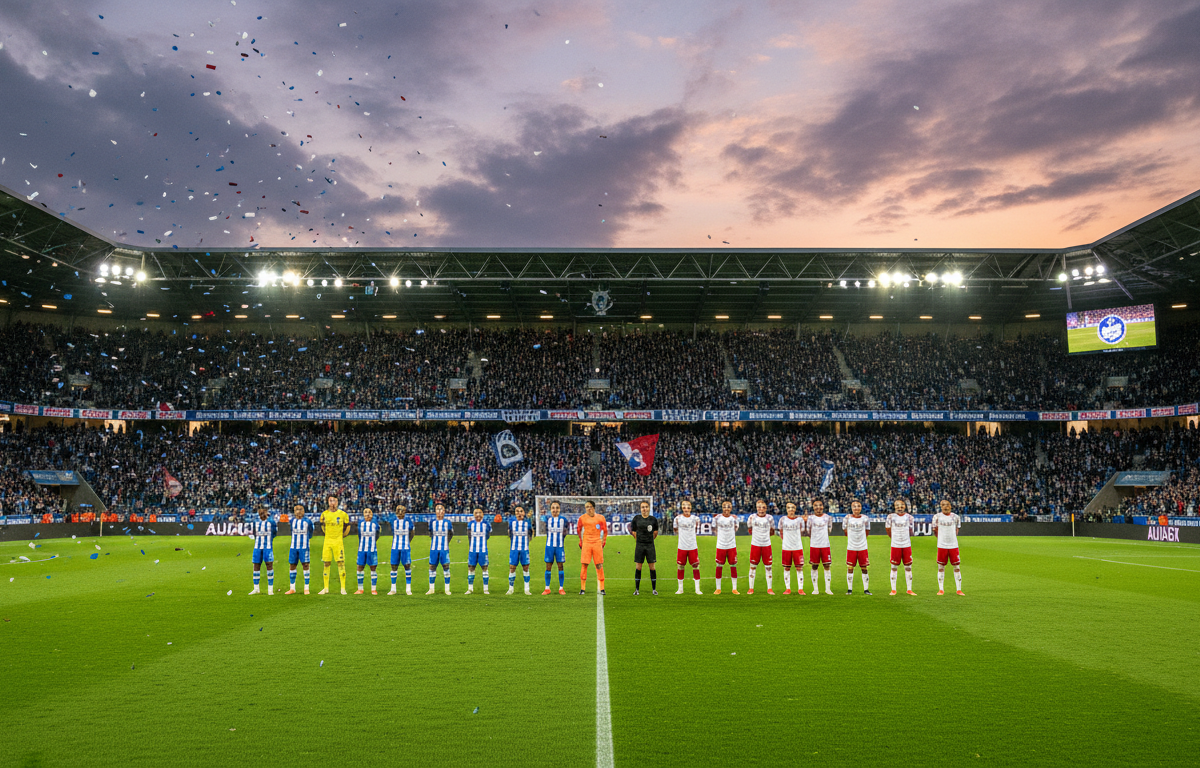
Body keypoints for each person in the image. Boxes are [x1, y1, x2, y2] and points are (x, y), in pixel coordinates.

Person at [319, 494, 350, 595]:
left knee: (340, 563)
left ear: (337, 502)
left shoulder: (343, 514)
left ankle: (343, 588)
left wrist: (341, 536)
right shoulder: (324, 514)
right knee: (326, 563)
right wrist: (328, 535)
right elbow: (322, 527)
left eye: (334, 501)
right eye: (330, 501)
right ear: (328, 502)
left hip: (338, 542)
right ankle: (326, 588)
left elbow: (347, 527)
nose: (332, 503)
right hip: (327, 541)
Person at [933, 499, 964, 596]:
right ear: (941, 507)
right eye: (943, 505)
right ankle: (941, 589)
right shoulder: (937, 517)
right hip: (942, 546)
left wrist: (951, 538)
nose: (945, 506)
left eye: (947, 505)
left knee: (956, 567)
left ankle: (959, 590)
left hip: (953, 545)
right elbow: (935, 530)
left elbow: (957, 530)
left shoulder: (956, 517)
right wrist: (941, 539)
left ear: (950, 506)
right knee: (941, 567)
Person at [886, 499, 917, 596]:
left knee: (908, 567)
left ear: (905, 506)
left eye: (902, 505)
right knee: (894, 567)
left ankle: (909, 589)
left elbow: (911, 530)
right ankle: (893, 589)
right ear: (894, 507)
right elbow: (888, 529)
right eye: (897, 505)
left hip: (906, 545)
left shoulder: (909, 517)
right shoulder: (891, 517)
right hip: (895, 545)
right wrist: (894, 538)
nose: (900, 507)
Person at [577, 500, 608, 595]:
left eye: (590, 507)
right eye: (587, 507)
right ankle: (582, 589)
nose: (588, 509)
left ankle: (602, 588)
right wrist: (581, 541)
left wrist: (603, 541)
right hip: (587, 543)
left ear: (594, 508)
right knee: (584, 564)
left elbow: (605, 531)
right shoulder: (582, 518)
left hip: (597, 543)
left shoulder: (601, 518)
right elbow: (578, 530)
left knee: (599, 565)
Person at [673, 500, 702, 594]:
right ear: (682, 508)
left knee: (696, 566)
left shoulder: (695, 519)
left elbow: (696, 530)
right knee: (680, 566)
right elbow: (675, 530)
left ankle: (697, 589)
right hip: (682, 547)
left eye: (688, 507)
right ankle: (680, 589)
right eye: (684, 507)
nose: (686, 509)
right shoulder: (677, 519)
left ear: (691, 508)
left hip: (692, 546)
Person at [747, 499, 775, 595]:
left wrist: (764, 537)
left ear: (766, 508)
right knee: (753, 566)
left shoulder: (770, 518)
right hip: (755, 545)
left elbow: (772, 530)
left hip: (766, 545)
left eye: (763, 507)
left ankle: (769, 589)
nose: (761, 509)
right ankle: (751, 588)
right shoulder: (752, 517)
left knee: (768, 567)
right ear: (756, 508)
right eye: (759, 507)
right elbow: (749, 529)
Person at [631, 500, 659, 595]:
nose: (644, 509)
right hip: (639, 546)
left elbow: (655, 533)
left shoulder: (653, 520)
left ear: (649, 508)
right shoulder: (636, 519)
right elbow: (633, 531)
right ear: (640, 509)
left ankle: (654, 589)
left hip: (650, 546)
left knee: (652, 567)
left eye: (646, 507)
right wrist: (639, 539)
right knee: (638, 567)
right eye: (643, 507)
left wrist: (648, 540)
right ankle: (637, 589)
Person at [778, 501, 806, 595]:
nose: (791, 510)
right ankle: (788, 588)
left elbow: (802, 531)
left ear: (795, 509)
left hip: (797, 547)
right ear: (786, 509)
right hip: (786, 548)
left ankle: (800, 589)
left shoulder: (800, 520)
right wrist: (786, 541)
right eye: (789, 508)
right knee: (787, 568)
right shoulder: (782, 519)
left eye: (792, 508)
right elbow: (781, 531)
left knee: (799, 568)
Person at [843, 499, 871, 595]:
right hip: (851, 547)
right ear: (851, 508)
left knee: (864, 568)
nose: (856, 508)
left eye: (858, 506)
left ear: (861, 508)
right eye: (854, 506)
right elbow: (845, 530)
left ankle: (866, 589)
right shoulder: (847, 518)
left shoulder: (865, 518)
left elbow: (867, 530)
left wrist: (861, 540)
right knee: (850, 568)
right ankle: (849, 589)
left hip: (862, 547)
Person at [807, 499, 834, 595]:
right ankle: (815, 589)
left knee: (827, 565)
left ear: (823, 507)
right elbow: (808, 530)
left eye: (820, 505)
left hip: (825, 545)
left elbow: (829, 529)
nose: (818, 507)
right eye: (816, 505)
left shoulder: (828, 517)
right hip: (814, 545)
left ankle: (828, 589)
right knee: (814, 566)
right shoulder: (810, 518)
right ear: (813, 507)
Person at [426, 503, 454, 596]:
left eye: (441, 509)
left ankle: (447, 589)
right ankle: (431, 589)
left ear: (444, 511)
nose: (439, 511)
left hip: (444, 549)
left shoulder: (448, 523)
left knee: (446, 567)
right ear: (435, 511)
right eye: (437, 509)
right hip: (434, 549)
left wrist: (446, 542)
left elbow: (451, 534)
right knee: (432, 567)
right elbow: (430, 533)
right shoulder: (432, 522)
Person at [713, 500, 740, 595]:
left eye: (728, 507)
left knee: (733, 566)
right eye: (724, 507)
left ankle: (734, 588)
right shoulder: (717, 518)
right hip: (721, 545)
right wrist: (720, 536)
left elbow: (736, 528)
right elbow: (714, 528)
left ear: (731, 508)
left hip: (731, 545)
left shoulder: (734, 518)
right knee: (719, 566)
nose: (726, 509)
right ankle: (718, 588)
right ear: (722, 508)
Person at [286, 504, 313, 595]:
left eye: (301, 509)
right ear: (294, 512)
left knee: (305, 565)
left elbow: (311, 532)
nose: (299, 511)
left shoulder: (308, 521)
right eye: (297, 509)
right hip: (293, 547)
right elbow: (291, 531)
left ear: (304, 511)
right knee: (292, 565)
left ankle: (306, 588)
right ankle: (292, 588)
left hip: (304, 547)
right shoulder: (292, 521)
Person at [249, 506, 277, 595]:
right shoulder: (256, 522)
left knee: (269, 565)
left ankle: (270, 589)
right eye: (260, 512)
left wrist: (269, 540)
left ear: (266, 512)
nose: (262, 513)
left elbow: (274, 533)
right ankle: (256, 588)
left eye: (263, 512)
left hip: (267, 547)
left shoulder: (271, 522)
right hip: (257, 547)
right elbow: (254, 533)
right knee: (256, 566)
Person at [542, 500, 568, 595]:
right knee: (548, 566)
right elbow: (544, 529)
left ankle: (561, 588)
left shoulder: (563, 520)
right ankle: (547, 588)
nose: (555, 510)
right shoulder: (547, 519)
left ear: (560, 509)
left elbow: (566, 530)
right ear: (550, 509)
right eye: (553, 508)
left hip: (559, 547)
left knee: (560, 566)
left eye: (557, 508)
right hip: (549, 546)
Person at [507, 505, 532, 595]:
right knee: (512, 568)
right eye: (517, 511)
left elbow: (531, 533)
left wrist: (527, 542)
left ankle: (527, 589)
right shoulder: (511, 522)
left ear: (524, 513)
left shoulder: (527, 523)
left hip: (524, 549)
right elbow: (509, 533)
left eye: (521, 511)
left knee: (526, 568)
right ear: (515, 513)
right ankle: (511, 589)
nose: (519, 513)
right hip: (514, 549)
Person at [465, 507, 491, 595]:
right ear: (474, 515)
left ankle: (486, 589)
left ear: (482, 514)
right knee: (471, 567)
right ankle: (470, 589)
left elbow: (488, 535)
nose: (478, 514)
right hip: (472, 550)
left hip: (483, 550)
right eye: (476, 513)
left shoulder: (486, 524)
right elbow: (469, 535)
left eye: (480, 513)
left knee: (485, 567)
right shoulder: (471, 524)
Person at [389, 504, 413, 596]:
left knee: (407, 566)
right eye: (398, 510)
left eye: (402, 511)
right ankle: (393, 589)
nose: (400, 512)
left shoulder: (408, 521)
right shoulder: (393, 520)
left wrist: (408, 542)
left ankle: (408, 589)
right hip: (395, 547)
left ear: (405, 512)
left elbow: (412, 532)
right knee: (394, 566)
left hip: (405, 548)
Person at [355, 508, 380, 595]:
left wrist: (373, 542)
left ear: (372, 514)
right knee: (360, 567)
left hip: (372, 549)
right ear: (363, 514)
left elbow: (378, 534)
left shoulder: (375, 523)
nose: (367, 514)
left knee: (373, 568)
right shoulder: (361, 523)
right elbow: (359, 535)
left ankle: (373, 589)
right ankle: (360, 589)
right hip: (362, 549)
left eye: (369, 512)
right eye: (365, 512)